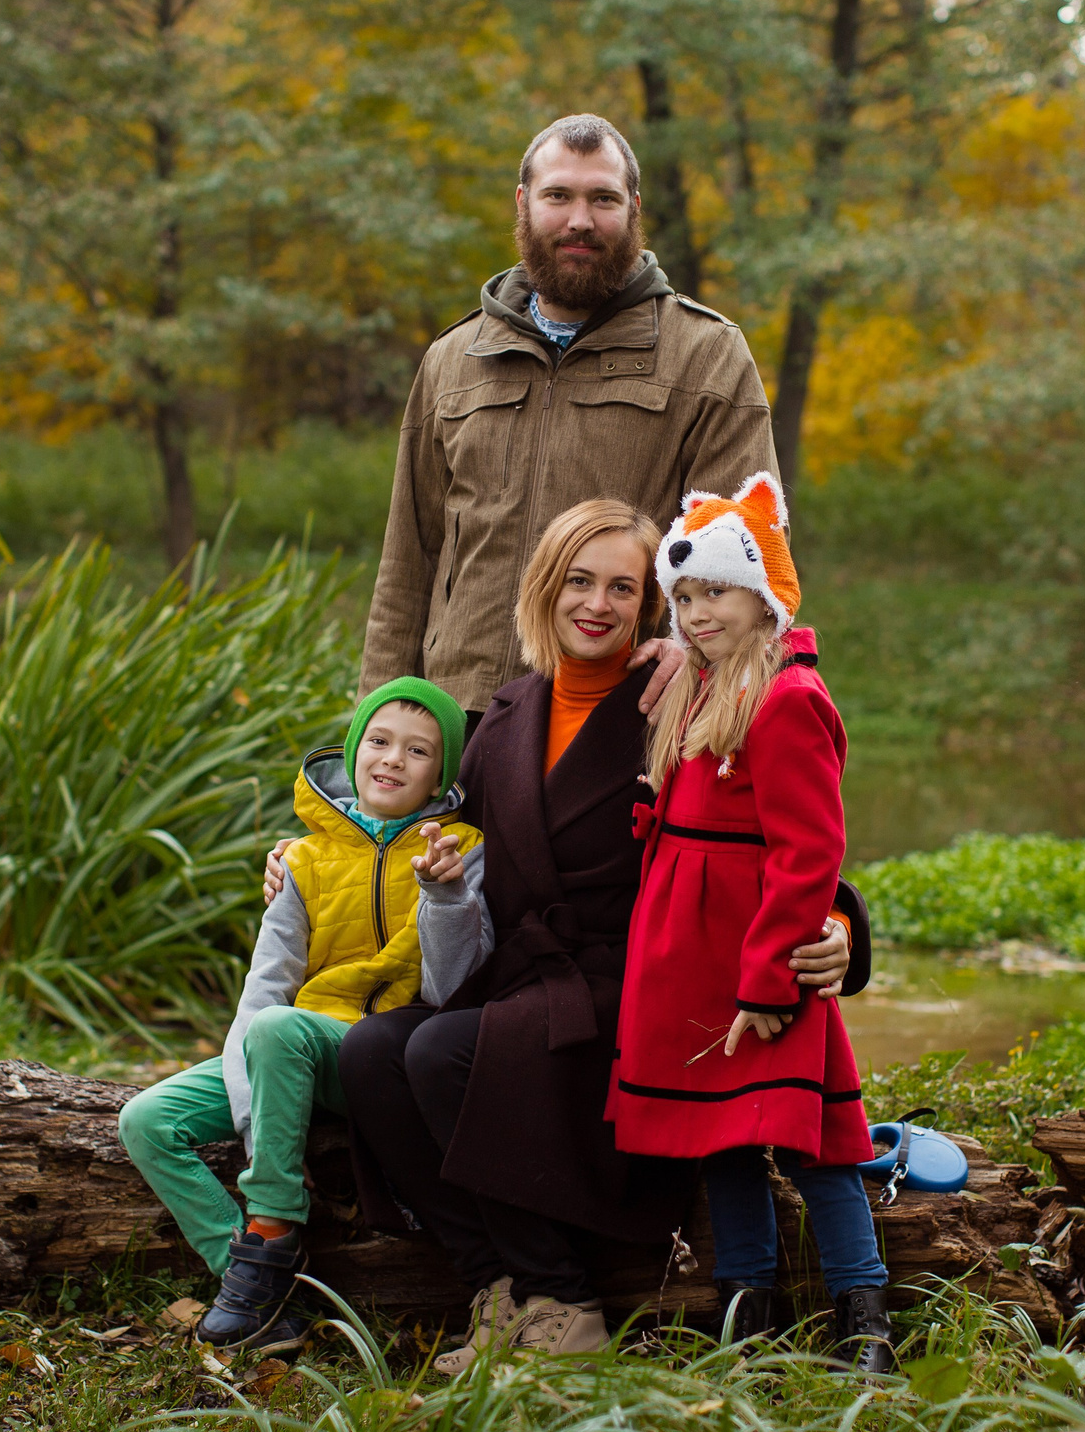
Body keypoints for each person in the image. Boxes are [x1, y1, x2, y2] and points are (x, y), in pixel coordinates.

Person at [330, 500, 860, 1372]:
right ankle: (498, 1286)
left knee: (442, 1055)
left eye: (622, 586)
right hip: (526, 971)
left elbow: (780, 839)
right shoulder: (503, 718)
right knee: (373, 1055)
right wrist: (307, 852)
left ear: (650, 604)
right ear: (545, 588)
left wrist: (839, 925)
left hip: (635, 986)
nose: (599, 604)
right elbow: (410, 817)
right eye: (580, 580)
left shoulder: (679, 700)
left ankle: (564, 1299)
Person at [608, 473, 893, 1374]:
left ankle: (864, 1316)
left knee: (818, 1141)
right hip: (690, 957)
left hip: (752, 954)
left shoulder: (786, 699)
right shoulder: (699, 689)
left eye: (716, 592)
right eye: (683, 595)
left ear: (764, 594)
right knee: (717, 1136)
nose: (696, 613)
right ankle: (746, 1307)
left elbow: (809, 853)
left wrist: (772, 980)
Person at [359, 113, 776, 716]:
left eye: (602, 198)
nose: (580, 219)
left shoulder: (707, 355)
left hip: (620, 718)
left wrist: (690, 653)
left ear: (633, 209)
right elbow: (408, 559)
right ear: (524, 204)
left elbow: (751, 552)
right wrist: (379, 715)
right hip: (458, 716)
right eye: (559, 195)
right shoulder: (453, 359)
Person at [117, 678, 487, 1353]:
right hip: (288, 1048)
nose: (392, 759)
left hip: (379, 1056)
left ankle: (274, 1224)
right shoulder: (305, 857)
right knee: (145, 1120)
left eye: (418, 750)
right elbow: (264, 991)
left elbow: (450, 987)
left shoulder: (457, 847)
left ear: (443, 772)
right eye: (378, 740)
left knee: (280, 1031)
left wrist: (445, 893)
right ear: (352, 751)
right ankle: (258, 1283)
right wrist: (257, 1119)